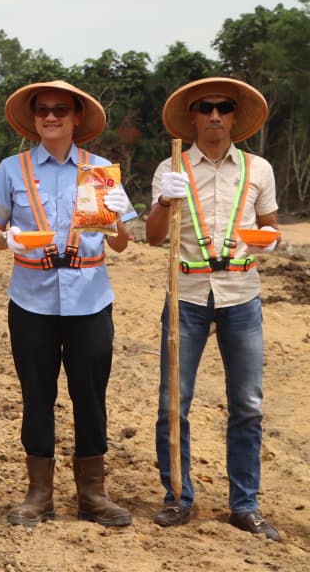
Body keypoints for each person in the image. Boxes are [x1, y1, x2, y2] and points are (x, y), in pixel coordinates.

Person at [0, 80, 135, 528]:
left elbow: (120, 245)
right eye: (43, 110)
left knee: (90, 395)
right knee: (36, 395)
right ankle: (39, 494)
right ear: (33, 118)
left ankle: (93, 493)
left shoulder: (99, 170)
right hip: (31, 299)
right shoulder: (13, 169)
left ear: (77, 117)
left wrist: (121, 214)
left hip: (90, 297)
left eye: (60, 110)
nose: (51, 117)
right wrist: (4, 238)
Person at [146, 78, 281, 540]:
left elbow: (269, 224)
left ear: (235, 116)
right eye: (206, 108)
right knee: (173, 403)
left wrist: (272, 237)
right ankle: (177, 497)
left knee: (247, 405)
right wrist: (166, 198)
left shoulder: (258, 168)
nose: (215, 116)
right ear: (193, 117)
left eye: (224, 108)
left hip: (242, 293)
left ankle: (244, 504)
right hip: (186, 294)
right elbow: (154, 237)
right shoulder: (171, 166)